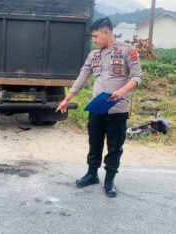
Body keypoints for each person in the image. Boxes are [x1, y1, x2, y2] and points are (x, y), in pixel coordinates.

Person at [56, 17, 143, 198]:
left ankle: (109, 180)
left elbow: (136, 77)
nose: (94, 40)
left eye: (96, 36)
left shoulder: (128, 50)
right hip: (97, 108)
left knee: (114, 146)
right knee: (94, 142)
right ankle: (92, 174)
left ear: (106, 32)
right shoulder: (94, 55)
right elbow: (82, 77)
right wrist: (67, 98)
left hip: (118, 108)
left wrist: (121, 91)